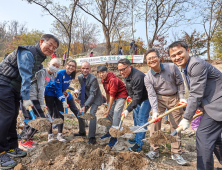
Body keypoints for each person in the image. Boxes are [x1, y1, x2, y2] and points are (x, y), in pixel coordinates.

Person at [0, 34, 59, 169]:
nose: (51, 49)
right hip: (4, 83)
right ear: (41, 41)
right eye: (50, 44)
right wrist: (26, 98)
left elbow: (29, 80)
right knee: (5, 117)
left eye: (54, 48)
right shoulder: (28, 53)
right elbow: (26, 77)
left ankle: (12, 147)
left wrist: (23, 97)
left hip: (13, 87)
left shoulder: (39, 58)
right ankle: (1, 152)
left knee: (12, 117)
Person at [169, 41, 222, 170]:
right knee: (214, 140)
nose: (177, 57)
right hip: (212, 105)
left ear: (188, 50)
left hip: (218, 105)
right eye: (173, 55)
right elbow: (197, 91)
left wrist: (187, 118)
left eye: (179, 52)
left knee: (203, 136)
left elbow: (196, 93)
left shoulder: (196, 64)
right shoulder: (186, 67)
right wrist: (188, 103)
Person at [144, 48, 187, 165]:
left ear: (159, 58)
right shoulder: (147, 77)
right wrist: (155, 111)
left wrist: (182, 97)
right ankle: (154, 149)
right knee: (154, 123)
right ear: (147, 62)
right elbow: (152, 95)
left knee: (175, 124)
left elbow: (180, 83)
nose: (152, 60)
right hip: (159, 99)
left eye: (153, 57)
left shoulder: (172, 67)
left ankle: (176, 152)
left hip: (174, 97)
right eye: (149, 59)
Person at [19, 58, 61, 151]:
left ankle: (27, 140)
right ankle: (24, 141)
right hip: (31, 97)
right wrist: (42, 104)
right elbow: (41, 89)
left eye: (57, 66)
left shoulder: (51, 75)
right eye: (54, 65)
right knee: (41, 121)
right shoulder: (43, 72)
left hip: (35, 97)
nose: (55, 67)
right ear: (49, 63)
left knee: (31, 120)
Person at [118, 58, 151, 152]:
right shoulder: (126, 74)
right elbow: (131, 90)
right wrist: (129, 97)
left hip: (145, 99)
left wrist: (127, 109)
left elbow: (138, 96)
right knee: (135, 117)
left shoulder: (138, 77)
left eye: (123, 69)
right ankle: (137, 138)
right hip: (136, 98)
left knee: (142, 119)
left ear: (130, 67)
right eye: (119, 70)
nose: (121, 72)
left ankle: (139, 143)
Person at [44, 60, 77, 142]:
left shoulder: (71, 75)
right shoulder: (60, 73)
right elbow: (58, 89)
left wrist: (65, 92)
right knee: (50, 113)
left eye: (73, 66)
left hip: (59, 93)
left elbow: (62, 87)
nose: (71, 67)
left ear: (75, 68)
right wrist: (63, 99)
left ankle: (60, 135)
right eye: (69, 65)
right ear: (66, 65)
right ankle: (50, 135)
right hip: (50, 93)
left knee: (61, 113)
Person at [97, 65, 128, 147]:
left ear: (107, 71)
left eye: (103, 72)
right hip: (113, 96)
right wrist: (107, 106)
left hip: (121, 95)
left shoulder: (113, 80)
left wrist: (108, 109)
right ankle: (109, 132)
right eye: (99, 73)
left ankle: (114, 137)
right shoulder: (103, 80)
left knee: (117, 112)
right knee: (108, 113)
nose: (101, 75)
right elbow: (107, 93)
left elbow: (112, 96)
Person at [74, 61, 103, 145]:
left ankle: (92, 137)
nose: (85, 70)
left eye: (87, 68)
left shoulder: (93, 78)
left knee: (91, 115)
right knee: (80, 114)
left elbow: (93, 94)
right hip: (86, 98)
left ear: (90, 69)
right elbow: (81, 88)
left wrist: (85, 105)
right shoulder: (80, 77)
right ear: (80, 69)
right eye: (83, 68)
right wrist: (78, 98)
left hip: (95, 99)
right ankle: (82, 132)